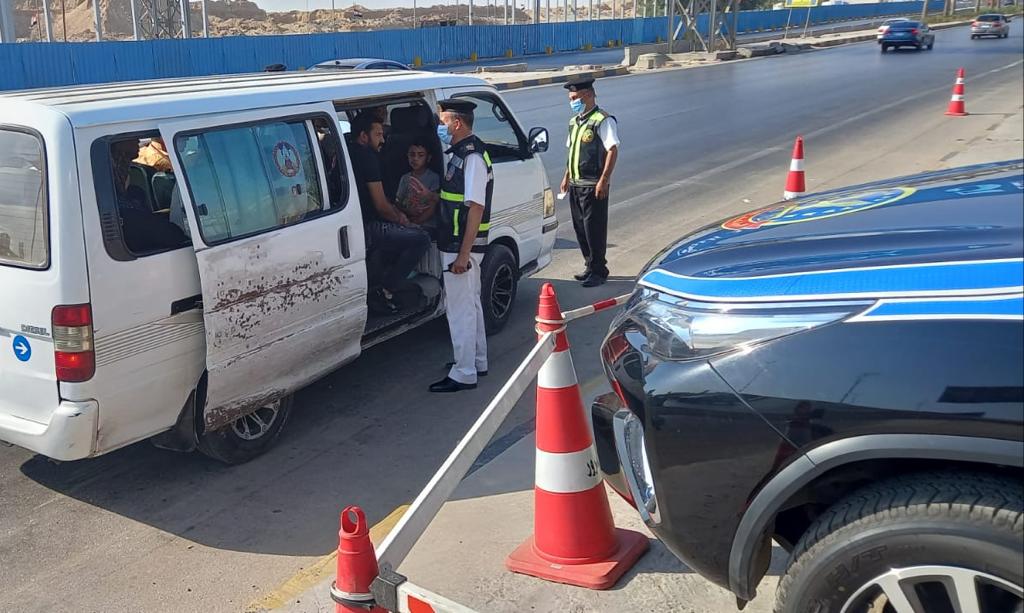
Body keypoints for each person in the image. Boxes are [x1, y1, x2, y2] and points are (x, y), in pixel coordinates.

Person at [429, 99, 492, 394]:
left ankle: (464, 372)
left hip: (460, 246)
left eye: (443, 122)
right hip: (456, 243)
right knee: (471, 304)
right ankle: (476, 360)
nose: (440, 127)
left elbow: (476, 207)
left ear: (457, 123)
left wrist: (463, 255)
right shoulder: (459, 154)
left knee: (460, 310)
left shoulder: (472, 157)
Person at [348, 112, 431, 315]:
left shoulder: (347, 150)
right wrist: (403, 221)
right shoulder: (367, 157)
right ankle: (387, 289)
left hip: (353, 224)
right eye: (378, 135)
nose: (383, 140)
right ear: (363, 136)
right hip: (368, 226)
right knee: (421, 239)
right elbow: (381, 206)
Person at [560, 77, 619, 288]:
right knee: (580, 228)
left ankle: (599, 270)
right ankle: (589, 265)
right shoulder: (574, 122)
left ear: (588, 95)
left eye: (574, 98)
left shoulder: (602, 120)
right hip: (576, 184)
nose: (572, 102)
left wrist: (604, 179)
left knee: (594, 229)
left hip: (593, 184)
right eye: (570, 99)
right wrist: (566, 177)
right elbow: (572, 151)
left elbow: (612, 150)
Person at [395, 140, 440, 226]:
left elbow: (432, 206)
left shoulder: (433, 178)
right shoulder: (405, 178)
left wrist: (417, 221)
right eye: (412, 155)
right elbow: (398, 202)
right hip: (407, 221)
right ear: (407, 156)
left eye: (421, 155)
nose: (415, 158)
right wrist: (408, 212)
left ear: (428, 158)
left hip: (426, 224)